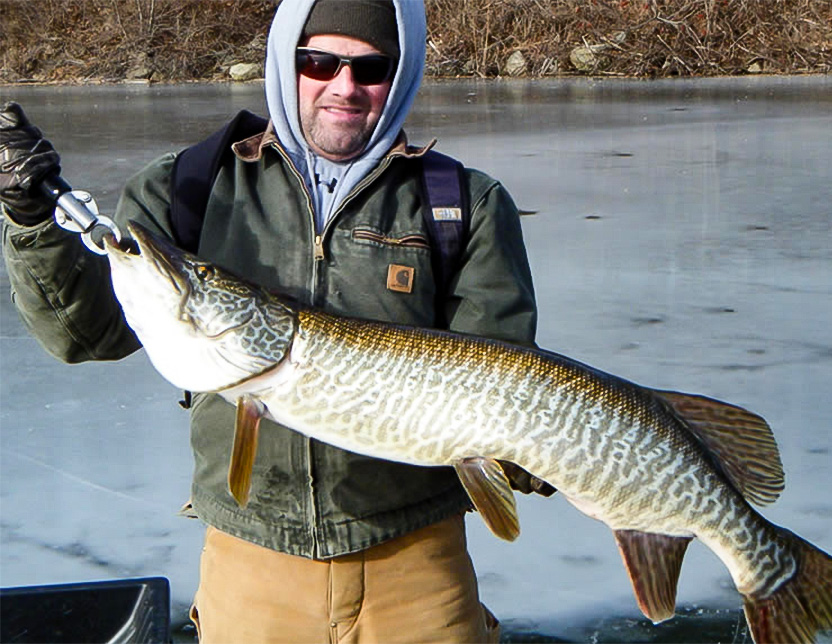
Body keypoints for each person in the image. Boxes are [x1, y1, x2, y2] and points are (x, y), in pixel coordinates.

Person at [0, 0, 551, 641]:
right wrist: (35, 220)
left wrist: (527, 454)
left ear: (399, 79)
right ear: (284, 63)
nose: (344, 86)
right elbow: (82, 335)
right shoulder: (187, 188)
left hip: (416, 563)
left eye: (371, 69)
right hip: (251, 562)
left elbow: (506, 373)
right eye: (318, 62)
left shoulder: (463, 205)